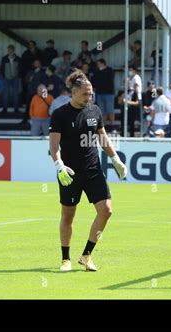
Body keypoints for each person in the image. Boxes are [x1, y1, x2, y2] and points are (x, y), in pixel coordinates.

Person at [48, 69, 127, 272]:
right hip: (70, 173)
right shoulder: (60, 115)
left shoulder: (95, 111)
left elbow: (103, 138)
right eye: (85, 94)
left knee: (107, 210)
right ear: (73, 92)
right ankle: (65, 258)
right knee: (68, 216)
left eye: (90, 94)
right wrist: (59, 166)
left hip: (93, 170)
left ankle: (86, 255)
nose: (89, 97)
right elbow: (54, 147)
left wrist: (116, 159)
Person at [92, 58, 115, 132]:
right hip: (99, 93)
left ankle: (112, 126)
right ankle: (103, 127)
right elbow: (94, 81)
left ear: (103, 63)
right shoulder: (97, 71)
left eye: (99, 64)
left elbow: (109, 80)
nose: (98, 66)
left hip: (109, 93)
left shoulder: (110, 70)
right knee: (102, 111)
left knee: (110, 110)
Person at [1, 44, 21, 113]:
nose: (9, 51)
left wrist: (18, 75)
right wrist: (4, 76)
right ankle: (5, 109)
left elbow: (20, 68)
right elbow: (2, 68)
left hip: (15, 78)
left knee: (15, 94)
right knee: (5, 94)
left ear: (13, 50)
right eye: (8, 49)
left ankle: (16, 109)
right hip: (6, 78)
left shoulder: (18, 58)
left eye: (11, 49)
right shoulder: (4, 58)